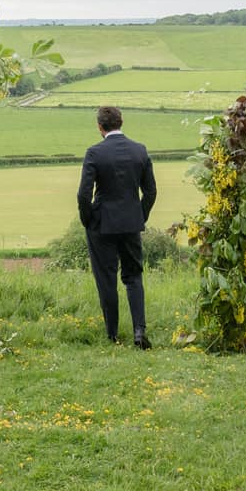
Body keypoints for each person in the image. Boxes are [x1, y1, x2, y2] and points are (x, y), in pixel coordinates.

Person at [77, 105, 158, 348]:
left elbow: (83, 194)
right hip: (131, 224)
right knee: (134, 276)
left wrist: (89, 219)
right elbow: (151, 191)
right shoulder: (139, 151)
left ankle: (112, 334)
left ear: (100, 127)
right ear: (121, 123)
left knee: (106, 278)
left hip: (102, 225)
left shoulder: (94, 153)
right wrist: (139, 216)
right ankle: (139, 331)